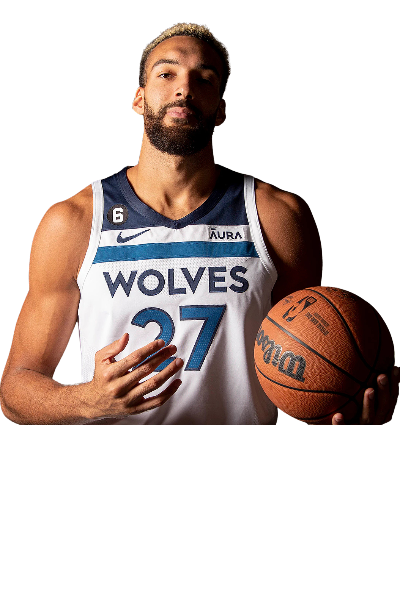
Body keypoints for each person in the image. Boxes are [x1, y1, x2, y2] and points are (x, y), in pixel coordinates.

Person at [1, 22, 398, 425]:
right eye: (166, 73)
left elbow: (309, 366)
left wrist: (343, 408)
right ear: (139, 98)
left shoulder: (278, 216)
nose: (184, 89)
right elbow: (15, 390)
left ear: (221, 109)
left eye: (204, 79)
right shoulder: (74, 221)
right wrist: (89, 400)